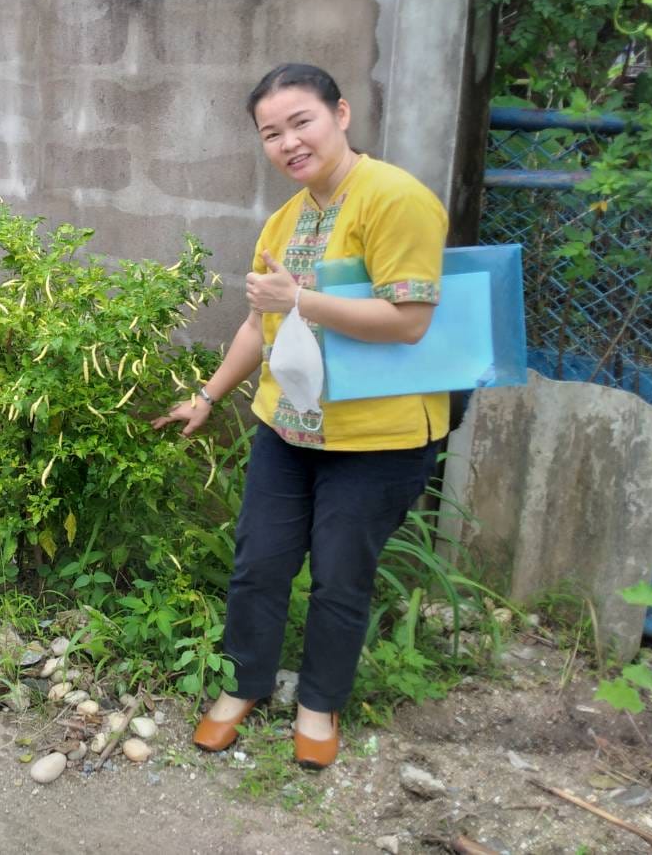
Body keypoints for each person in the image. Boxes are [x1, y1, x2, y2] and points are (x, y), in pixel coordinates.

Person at [153, 63, 448, 769]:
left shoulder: (394, 198)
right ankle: (243, 684)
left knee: (341, 576)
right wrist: (209, 394)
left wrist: (301, 302)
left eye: (301, 122)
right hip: (286, 428)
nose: (288, 142)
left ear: (340, 114)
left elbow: (408, 320)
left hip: (376, 438)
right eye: (270, 133)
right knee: (258, 563)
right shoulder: (284, 220)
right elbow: (258, 326)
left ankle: (318, 703)